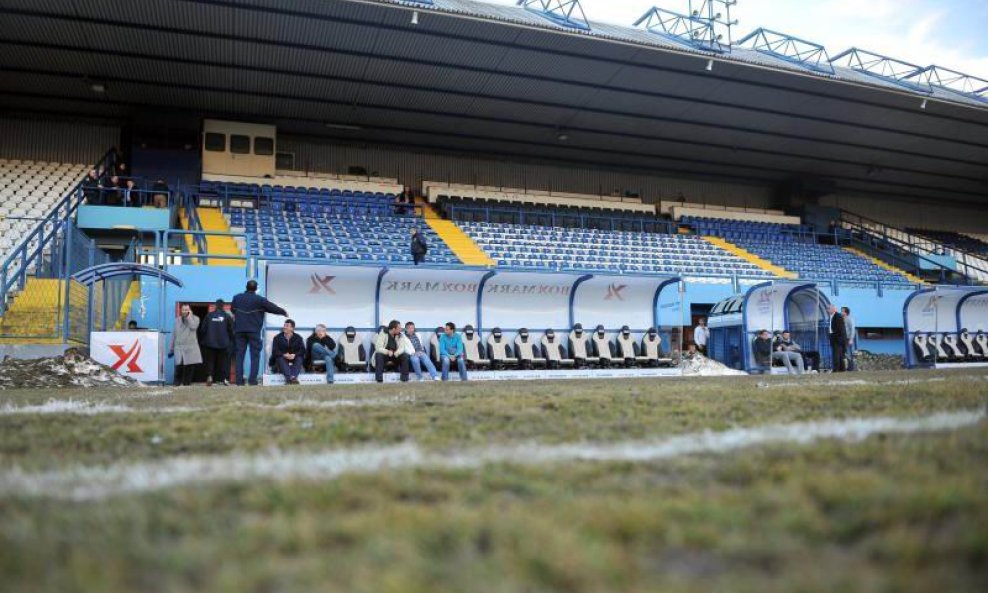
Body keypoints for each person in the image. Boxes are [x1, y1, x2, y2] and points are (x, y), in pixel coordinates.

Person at [232, 280, 288, 386]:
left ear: (246, 287)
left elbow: (233, 310)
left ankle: (239, 381)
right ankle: (252, 381)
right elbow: (272, 308)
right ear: (256, 288)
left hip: (239, 330)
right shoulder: (259, 300)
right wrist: (283, 312)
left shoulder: (237, 298)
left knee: (239, 356)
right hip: (253, 331)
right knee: (255, 356)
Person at [200, 298, 234, 386]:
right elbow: (232, 330)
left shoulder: (209, 316)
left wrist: (204, 339)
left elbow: (203, 329)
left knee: (210, 361)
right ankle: (225, 379)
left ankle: (210, 376)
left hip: (210, 343)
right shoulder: (227, 316)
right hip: (224, 343)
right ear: (223, 306)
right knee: (224, 362)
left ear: (215, 305)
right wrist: (230, 340)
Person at [169, 303, 202, 386]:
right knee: (178, 366)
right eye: (183, 310)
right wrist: (171, 348)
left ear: (190, 310)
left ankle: (186, 384)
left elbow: (193, 327)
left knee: (189, 366)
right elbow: (174, 334)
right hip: (179, 346)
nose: (184, 311)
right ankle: (176, 383)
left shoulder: (196, 319)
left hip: (190, 348)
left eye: (186, 310)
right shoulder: (177, 320)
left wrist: (189, 317)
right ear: (180, 310)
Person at [272, 319, 305, 385]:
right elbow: (275, 351)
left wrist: (294, 355)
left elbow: (302, 350)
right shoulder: (277, 338)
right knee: (280, 358)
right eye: (284, 325)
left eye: (287, 326)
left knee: (299, 358)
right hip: (283, 358)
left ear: (292, 328)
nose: (284, 327)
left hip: (294, 357)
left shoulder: (298, 337)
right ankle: (292, 378)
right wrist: (284, 354)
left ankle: (290, 379)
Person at [828, 304, 848, 372]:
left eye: (829, 308)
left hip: (837, 338)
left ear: (834, 309)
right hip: (834, 338)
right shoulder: (832, 316)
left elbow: (840, 329)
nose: (828, 310)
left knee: (836, 355)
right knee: (839, 355)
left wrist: (835, 337)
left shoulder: (838, 316)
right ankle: (842, 369)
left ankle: (835, 369)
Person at [842, 307, 857, 371]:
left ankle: (852, 368)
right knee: (846, 353)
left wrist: (851, 339)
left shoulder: (849, 319)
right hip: (844, 338)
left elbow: (853, 329)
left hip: (848, 338)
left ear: (846, 312)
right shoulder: (843, 319)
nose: (841, 312)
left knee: (850, 353)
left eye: (842, 311)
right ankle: (849, 367)